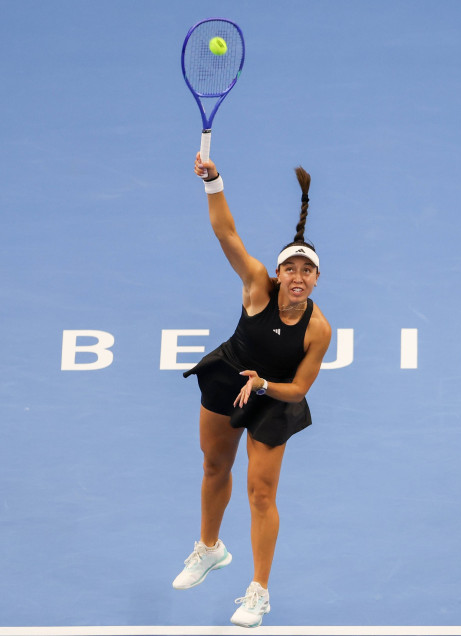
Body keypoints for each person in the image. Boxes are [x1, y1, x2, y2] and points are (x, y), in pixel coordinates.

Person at [172, 154, 332, 628]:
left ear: (317, 279)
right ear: (279, 273)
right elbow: (227, 234)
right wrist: (213, 182)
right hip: (230, 376)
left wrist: (263, 385)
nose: (298, 278)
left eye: (307, 271)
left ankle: (259, 591)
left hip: (273, 397)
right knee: (213, 465)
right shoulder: (257, 287)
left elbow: (298, 388)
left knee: (261, 494)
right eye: (291, 269)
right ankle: (210, 548)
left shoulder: (318, 329)